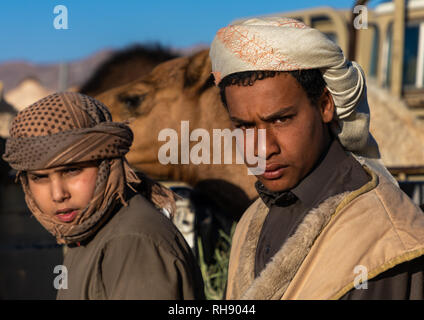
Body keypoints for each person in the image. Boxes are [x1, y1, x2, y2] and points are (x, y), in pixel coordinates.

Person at [209, 16, 424, 300]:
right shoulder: (252, 220)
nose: (262, 150)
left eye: (282, 120)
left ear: (325, 106)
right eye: (245, 127)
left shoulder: (379, 240)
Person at [2, 92, 204, 300]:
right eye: (39, 177)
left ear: (107, 164)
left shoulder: (130, 242)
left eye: (72, 171)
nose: (58, 194)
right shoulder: (85, 232)